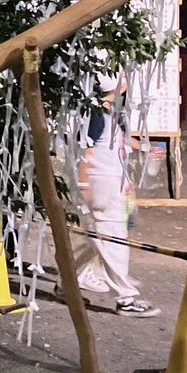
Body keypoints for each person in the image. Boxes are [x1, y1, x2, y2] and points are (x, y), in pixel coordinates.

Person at [68, 72, 160, 318]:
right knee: (114, 238)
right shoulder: (97, 114)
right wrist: (84, 184)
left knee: (91, 238)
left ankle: (66, 283)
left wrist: (144, 147)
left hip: (108, 182)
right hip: (102, 184)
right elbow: (86, 151)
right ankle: (125, 297)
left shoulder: (106, 113)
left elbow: (116, 141)